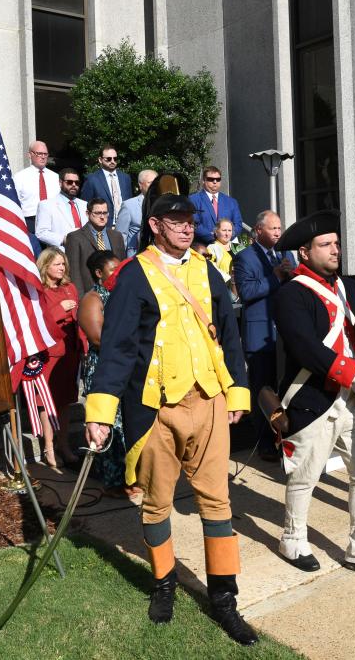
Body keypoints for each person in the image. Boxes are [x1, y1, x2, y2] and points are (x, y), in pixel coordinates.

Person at [83, 193, 257, 646]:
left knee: (217, 503)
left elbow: (230, 335)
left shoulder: (205, 269)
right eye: (177, 221)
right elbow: (117, 348)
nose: (187, 227)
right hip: (158, 408)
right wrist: (100, 412)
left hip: (211, 401)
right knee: (157, 503)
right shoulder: (133, 275)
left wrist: (237, 392)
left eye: (189, 221)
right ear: (156, 225)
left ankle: (224, 599)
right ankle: (164, 584)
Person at [272, 210, 355, 580]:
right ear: (304, 253)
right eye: (325, 244)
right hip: (312, 396)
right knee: (305, 474)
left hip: (353, 396)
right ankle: (293, 538)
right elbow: (306, 349)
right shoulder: (291, 294)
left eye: (336, 244)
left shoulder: (349, 288)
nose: (335, 250)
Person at [78, 250, 139, 500]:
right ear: (99, 273)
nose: (119, 272)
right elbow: (97, 338)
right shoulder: (93, 299)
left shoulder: (123, 293)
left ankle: (130, 476)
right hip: (104, 367)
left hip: (127, 365)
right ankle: (112, 481)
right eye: (114, 269)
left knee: (128, 424)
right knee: (110, 425)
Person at [234, 211, 292, 460]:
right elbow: (246, 292)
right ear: (258, 230)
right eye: (273, 229)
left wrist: (292, 274)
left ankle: (286, 437)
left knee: (285, 387)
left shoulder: (285, 254)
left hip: (284, 331)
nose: (278, 233)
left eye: (280, 228)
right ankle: (265, 442)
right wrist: (275, 277)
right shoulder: (244, 258)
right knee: (263, 387)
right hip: (260, 333)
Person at [36, 247, 81, 468]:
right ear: (45, 267)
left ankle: (64, 444)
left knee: (65, 402)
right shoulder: (40, 291)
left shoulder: (70, 287)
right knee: (48, 402)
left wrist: (83, 344)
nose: (62, 268)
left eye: (63, 264)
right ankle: (49, 447)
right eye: (56, 264)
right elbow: (40, 324)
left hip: (70, 353)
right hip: (51, 354)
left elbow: (77, 320)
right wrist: (60, 309)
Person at [65, 198, 127, 297]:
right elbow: (74, 273)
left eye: (105, 213)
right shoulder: (75, 237)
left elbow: (123, 267)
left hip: (117, 294)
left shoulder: (116, 236)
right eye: (97, 213)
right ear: (87, 213)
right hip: (90, 295)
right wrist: (81, 300)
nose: (102, 217)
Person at [35, 168, 88, 251]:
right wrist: (64, 239)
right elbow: (41, 233)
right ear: (60, 183)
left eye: (77, 183)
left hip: (85, 251)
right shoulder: (46, 205)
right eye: (69, 182)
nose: (74, 185)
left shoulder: (85, 204)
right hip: (61, 253)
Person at [13, 141, 59, 233]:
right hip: (30, 221)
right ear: (30, 155)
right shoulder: (19, 177)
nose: (43, 156)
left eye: (45, 154)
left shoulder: (55, 177)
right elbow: (15, 202)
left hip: (53, 221)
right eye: (39, 153)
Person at [190, 166, 243, 246]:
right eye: (211, 179)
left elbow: (238, 224)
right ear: (204, 180)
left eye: (218, 179)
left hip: (227, 248)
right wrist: (214, 239)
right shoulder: (193, 200)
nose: (215, 182)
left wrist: (226, 238)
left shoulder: (231, 202)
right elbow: (194, 224)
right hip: (203, 247)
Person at [80, 145, 133, 225]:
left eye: (115, 159)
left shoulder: (125, 178)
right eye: (108, 159)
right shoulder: (92, 179)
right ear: (100, 160)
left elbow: (129, 202)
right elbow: (85, 205)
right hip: (102, 227)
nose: (112, 161)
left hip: (125, 226)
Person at [115, 169, 157, 256]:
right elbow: (120, 237)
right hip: (136, 256)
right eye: (150, 183)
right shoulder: (128, 205)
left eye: (156, 182)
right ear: (140, 185)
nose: (154, 186)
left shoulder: (164, 204)